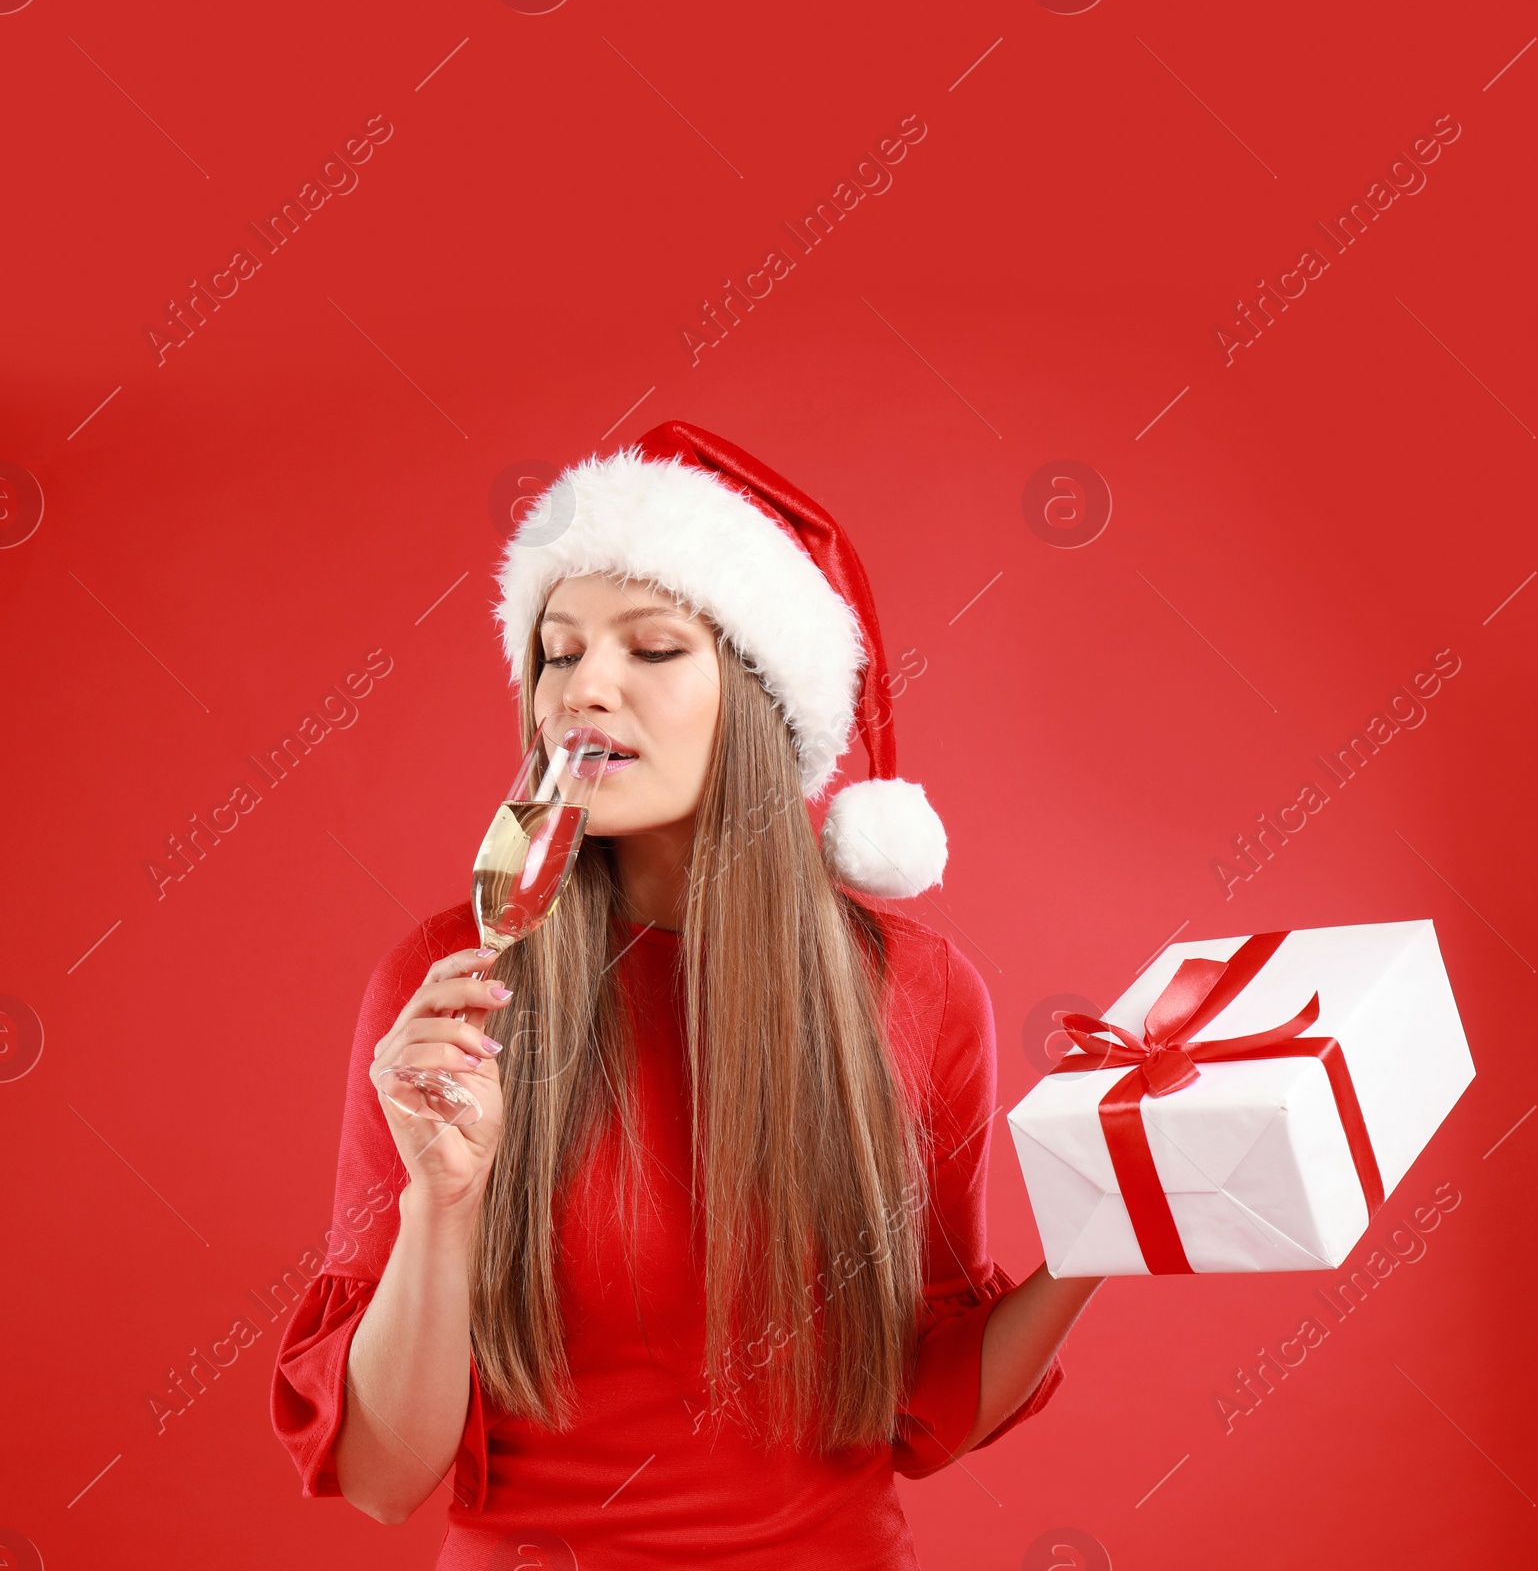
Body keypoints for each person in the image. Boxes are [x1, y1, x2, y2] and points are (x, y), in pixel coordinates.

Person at [270, 422, 1103, 1568]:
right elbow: (378, 1475)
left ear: (765, 702)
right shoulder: (449, 986)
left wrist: (1112, 1220)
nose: (583, 688)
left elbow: (922, 1409)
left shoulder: (917, 993)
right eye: (557, 653)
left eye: (653, 649)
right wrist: (441, 1203)